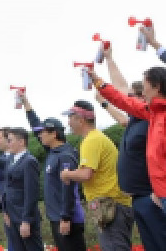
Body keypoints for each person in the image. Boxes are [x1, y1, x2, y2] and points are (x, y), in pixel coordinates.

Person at [98, 48, 166, 250]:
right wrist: (106, 66)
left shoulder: (152, 116)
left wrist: (158, 192)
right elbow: (120, 94)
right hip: (142, 197)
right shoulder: (146, 115)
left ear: (156, 88)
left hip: (153, 196)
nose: (140, 95)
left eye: (143, 89)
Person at [59, 99, 133, 250]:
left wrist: (66, 174)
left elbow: (86, 174)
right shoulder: (98, 137)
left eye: (70, 118)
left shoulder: (91, 141)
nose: (68, 123)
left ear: (81, 120)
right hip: (115, 204)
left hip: (110, 206)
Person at [19, 95, 86, 251]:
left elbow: (68, 188)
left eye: (43, 132)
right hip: (57, 216)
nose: (40, 135)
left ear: (54, 134)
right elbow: (35, 126)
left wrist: (66, 217)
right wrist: (26, 103)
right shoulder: (53, 151)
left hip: (67, 218)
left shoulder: (65, 155)